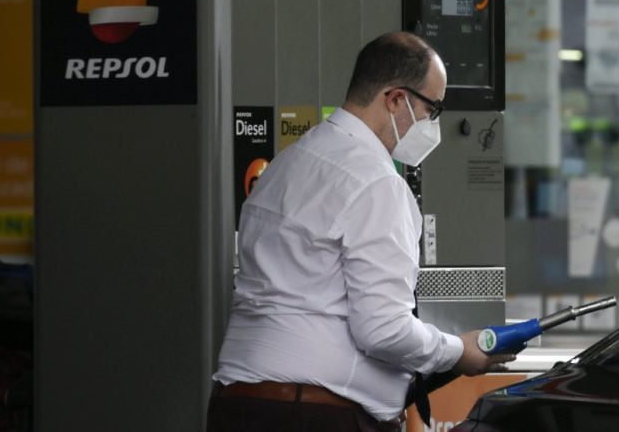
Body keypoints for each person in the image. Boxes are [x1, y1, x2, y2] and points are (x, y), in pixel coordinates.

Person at [207, 32, 514, 432]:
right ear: (395, 99)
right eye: (432, 109)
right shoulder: (376, 183)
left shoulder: (287, 164)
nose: (433, 124)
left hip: (238, 405)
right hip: (318, 415)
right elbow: (383, 330)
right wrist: (458, 351)